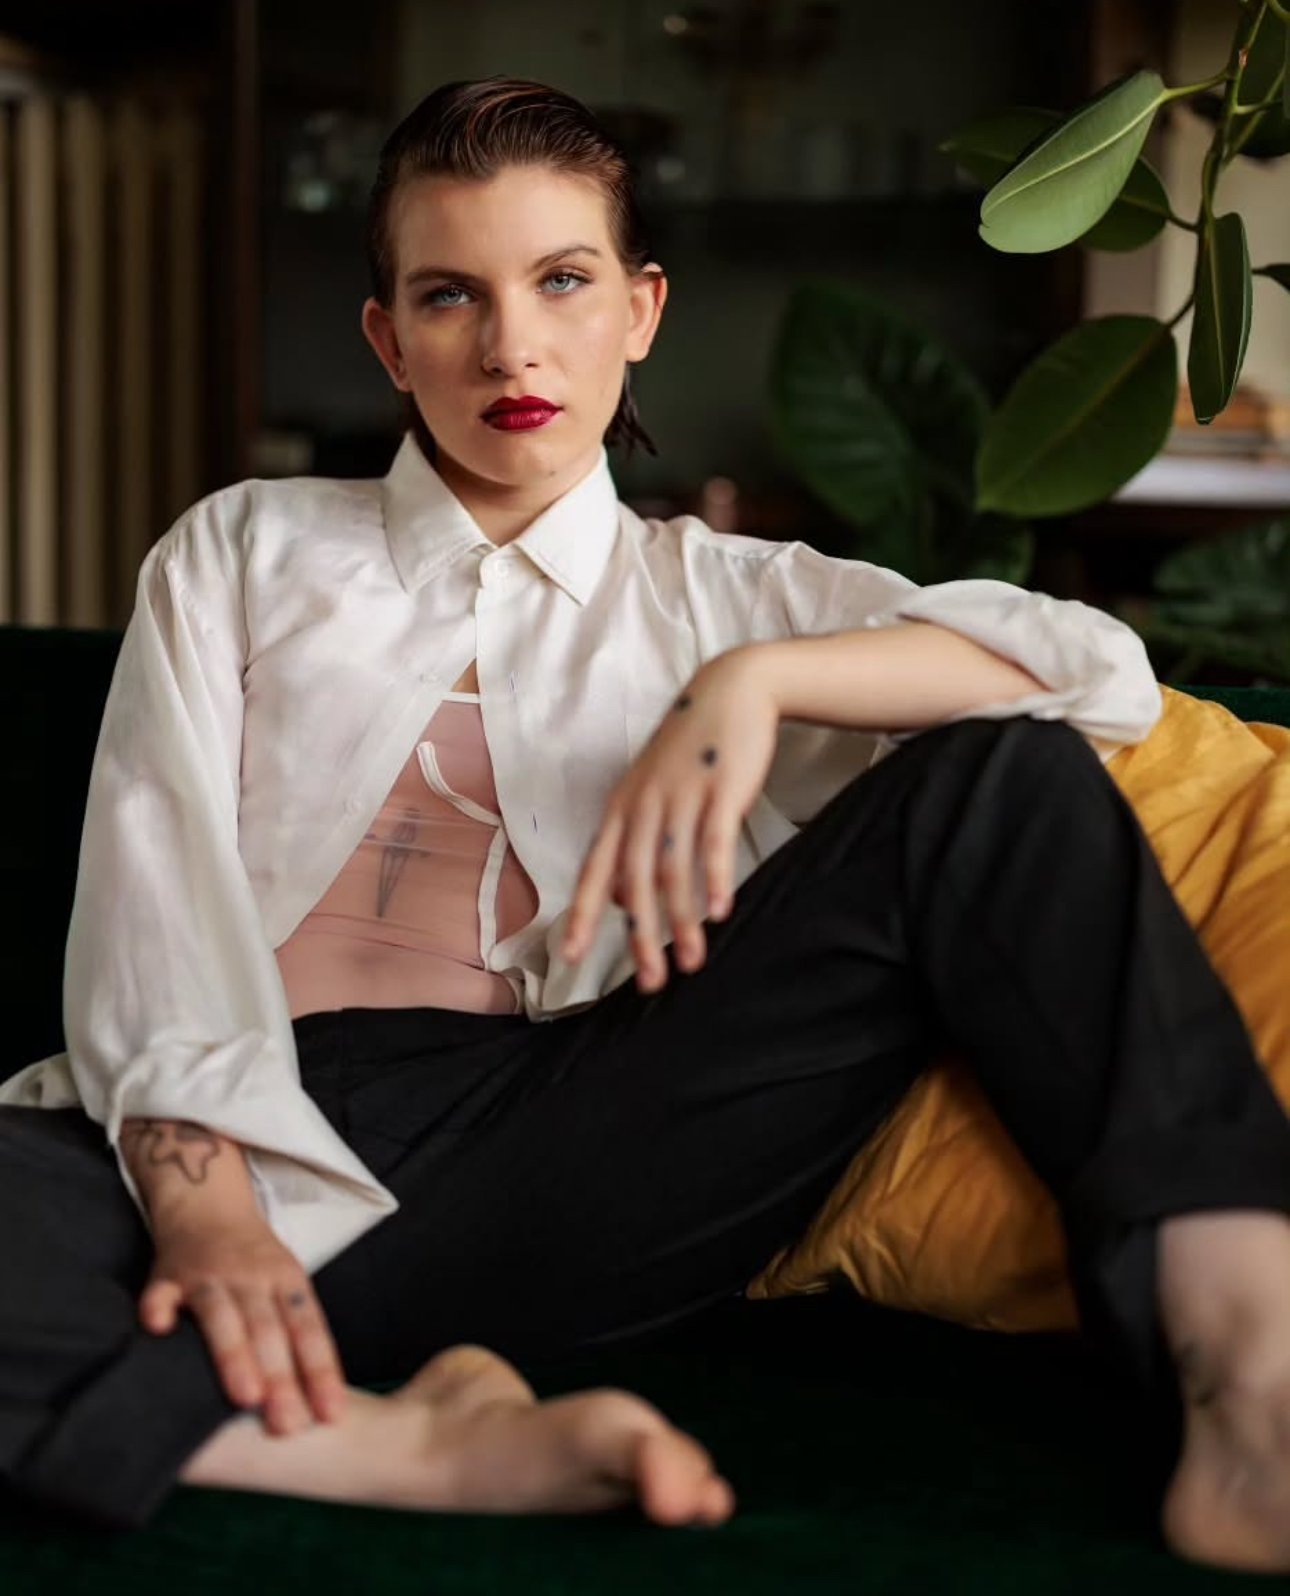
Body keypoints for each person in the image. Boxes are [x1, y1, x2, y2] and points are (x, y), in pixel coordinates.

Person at [2, 73, 1290, 1572]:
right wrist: (203, 1205)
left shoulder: (727, 597)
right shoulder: (241, 549)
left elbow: (1093, 671)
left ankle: (1253, 1370)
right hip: (229, 1116)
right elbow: (151, 893)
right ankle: (413, 1447)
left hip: (578, 1144)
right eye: (448, 295)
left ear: (640, 308)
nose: (511, 347)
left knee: (1003, 780)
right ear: (388, 339)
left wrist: (755, 682)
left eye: (562, 280)